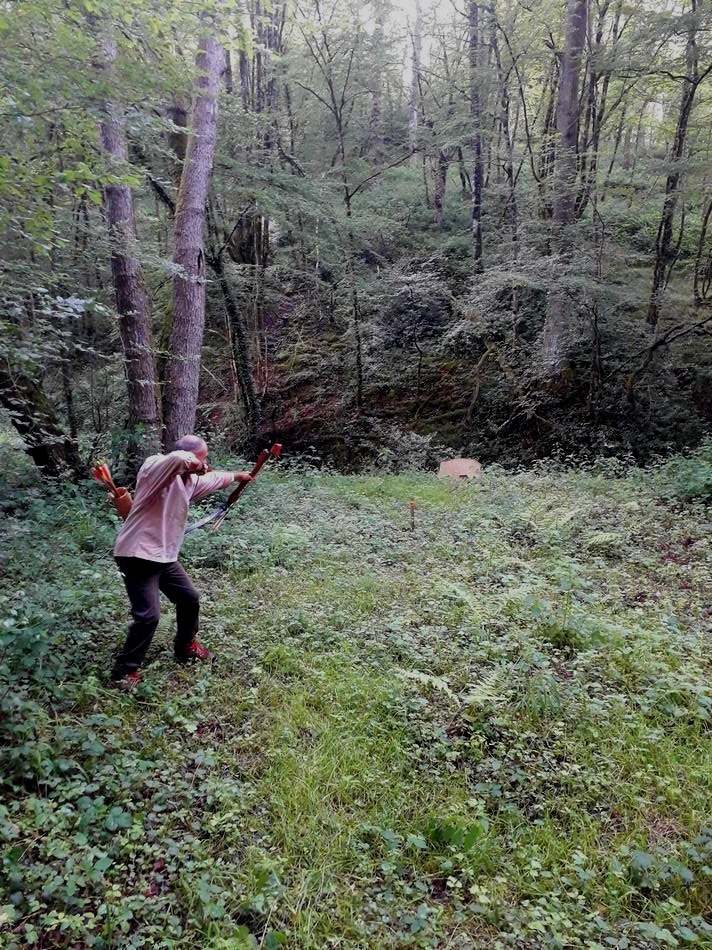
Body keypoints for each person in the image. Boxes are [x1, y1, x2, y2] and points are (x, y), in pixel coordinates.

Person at [110, 435, 253, 690]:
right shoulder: (154, 467)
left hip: (164, 556)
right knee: (149, 616)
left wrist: (239, 476)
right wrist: (195, 462)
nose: (204, 464)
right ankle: (124, 671)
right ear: (191, 456)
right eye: (202, 458)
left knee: (189, 598)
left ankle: (185, 646)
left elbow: (214, 478)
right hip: (137, 554)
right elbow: (178, 458)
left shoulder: (188, 483)